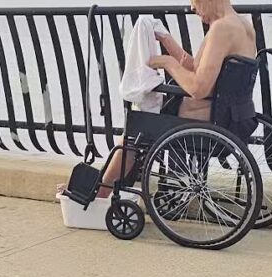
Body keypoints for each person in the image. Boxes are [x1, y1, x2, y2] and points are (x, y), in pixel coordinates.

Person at [95, 0, 257, 198]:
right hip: (233, 116)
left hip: (202, 120)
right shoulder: (242, 24)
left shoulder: (221, 29)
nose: (192, 8)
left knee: (134, 129)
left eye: (193, 1)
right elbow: (195, 66)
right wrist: (165, 38)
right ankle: (104, 186)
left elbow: (198, 88)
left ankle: (100, 191)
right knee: (138, 124)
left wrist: (168, 63)